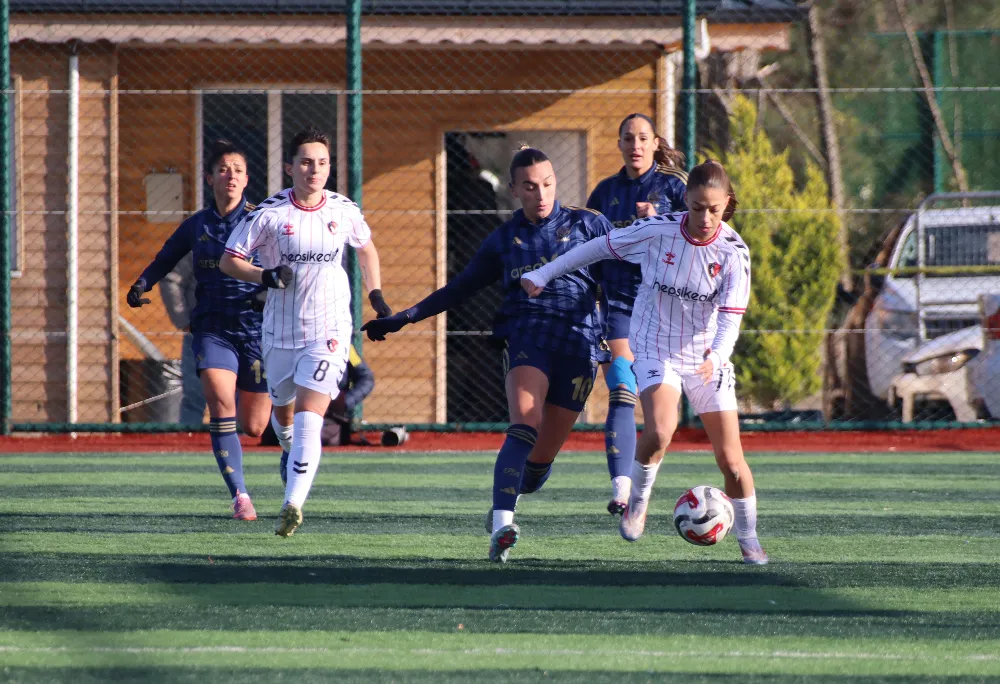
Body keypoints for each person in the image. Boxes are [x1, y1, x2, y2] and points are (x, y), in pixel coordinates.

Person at [361, 146, 614, 564]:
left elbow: (620, 279)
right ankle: (502, 527)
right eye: (529, 186)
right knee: (525, 423)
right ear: (513, 189)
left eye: (547, 184)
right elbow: (459, 289)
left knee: (537, 468)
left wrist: (621, 335)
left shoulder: (589, 224)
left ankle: (513, 492)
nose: (540, 193)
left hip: (579, 344)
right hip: (527, 337)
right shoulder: (503, 240)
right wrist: (403, 318)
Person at [521, 160, 768, 565]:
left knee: (733, 463)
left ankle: (749, 538)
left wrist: (717, 356)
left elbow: (730, 319)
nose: (705, 217)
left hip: (708, 356)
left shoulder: (734, 252)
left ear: (727, 204)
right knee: (659, 432)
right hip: (655, 347)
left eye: (714, 209)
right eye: (697, 207)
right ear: (685, 200)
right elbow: (598, 247)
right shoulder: (658, 230)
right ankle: (637, 505)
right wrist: (545, 273)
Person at [221, 127, 390, 538]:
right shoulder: (269, 213)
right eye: (306, 162)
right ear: (289, 167)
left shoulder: (344, 209)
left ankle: (291, 505)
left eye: (322, 163)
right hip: (280, 333)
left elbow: (366, 248)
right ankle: (290, 455)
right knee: (283, 422)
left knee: (309, 420)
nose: (315, 170)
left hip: (328, 330)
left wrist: (377, 296)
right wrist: (265, 276)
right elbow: (229, 260)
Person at [126, 139, 270, 521]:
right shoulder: (198, 225)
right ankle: (240, 496)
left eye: (237, 170)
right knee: (220, 403)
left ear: (247, 179)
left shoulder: (261, 220)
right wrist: (142, 283)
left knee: (255, 426)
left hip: (255, 331)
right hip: (212, 329)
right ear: (210, 178)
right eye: (223, 169)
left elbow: (282, 266)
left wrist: (269, 292)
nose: (230, 176)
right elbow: (166, 258)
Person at [586, 113, 688, 517]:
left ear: (655, 142)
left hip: (666, 310)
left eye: (643, 138)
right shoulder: (605, 192)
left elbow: (700, 238)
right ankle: (622, 491)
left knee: (661, 423)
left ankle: (643, 480)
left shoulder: (675, 187)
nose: (635, 146)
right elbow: (590, 250)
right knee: (622, 388)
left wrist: (658, 223)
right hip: (619, 307)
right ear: (619, 144)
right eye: (628, 138)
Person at [262, 344, 375, 458]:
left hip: (328, 416)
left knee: (312, 435)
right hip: (287, 408)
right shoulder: (282, 341)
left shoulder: (343, 344)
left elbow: (366, 378)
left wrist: (344, 402)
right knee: (275, 434)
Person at [159, 253, 208, 424]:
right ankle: (188, 437)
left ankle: (240, 438)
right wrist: (184, 321)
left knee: (242, 392)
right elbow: (170, 278)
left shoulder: (253, 241)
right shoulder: (195, 242)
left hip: (242, 331)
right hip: (199, 331)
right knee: (194, 394)